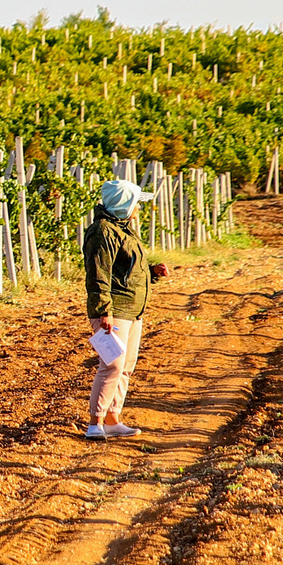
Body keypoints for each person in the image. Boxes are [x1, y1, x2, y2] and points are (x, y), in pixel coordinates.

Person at [82, 176, 167, 438]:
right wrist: (103, 310)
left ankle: (112, 419)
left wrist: (151, 272)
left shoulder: (122, 229)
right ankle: (95, 423)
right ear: (124, 204)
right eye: (135, 203)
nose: (137, 209)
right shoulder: (103, 232)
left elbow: (124, 269)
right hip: (115, 309)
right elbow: (98, 274)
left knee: (126, 365)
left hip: (131, 308)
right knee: (112, 365)